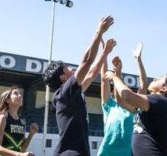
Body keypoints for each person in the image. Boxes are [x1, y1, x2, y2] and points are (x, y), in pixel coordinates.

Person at [42, 16, 116, 156]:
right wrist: (98, 32)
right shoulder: (64, 92)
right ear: (63, 78)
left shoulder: (72, 93)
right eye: (67, 68)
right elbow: (86, 62)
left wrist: (105, 52)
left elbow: (92, 73)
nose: (71, 68)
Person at [104, 57, 167, 156]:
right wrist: (118, 74)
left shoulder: (162, 100)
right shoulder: (152, 104)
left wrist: (114, 78)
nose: (154, 79)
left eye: (158, 79)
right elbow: (121, 101)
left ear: (164, 88)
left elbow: (127, 96)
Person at [97, 42, 149, 156]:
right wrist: (105, 53)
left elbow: (144, 86)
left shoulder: (134, 109)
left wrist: (138, 59)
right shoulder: (109, 106)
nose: (126, 90)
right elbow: (104, 79)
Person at [0, 86, 39, 156]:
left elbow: (22, 149)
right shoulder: (3, 118)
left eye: (20, 94)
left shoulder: (22, 121)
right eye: (15, 93)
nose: (20, 95)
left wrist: (31, 134)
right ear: (7, 100)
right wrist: (19, 155)